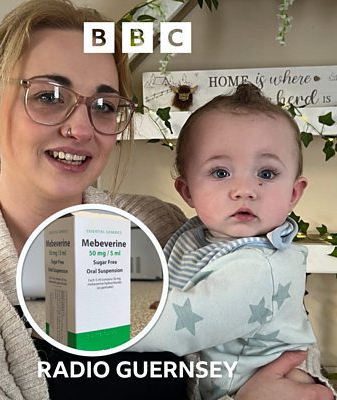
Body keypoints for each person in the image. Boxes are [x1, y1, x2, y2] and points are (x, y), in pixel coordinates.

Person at [0, 0, 333, 399]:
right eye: (50, 96)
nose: (80, 128)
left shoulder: (160, 224)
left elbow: (285, 348)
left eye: (104, 106)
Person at [132, 84, 336, 399]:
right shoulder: (196, 238)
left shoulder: (260, 268)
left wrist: (102, 322)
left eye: (266, 174)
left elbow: (175, 327)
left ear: (294, 193)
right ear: (187, 191)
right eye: (220, 172)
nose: (244, 190)